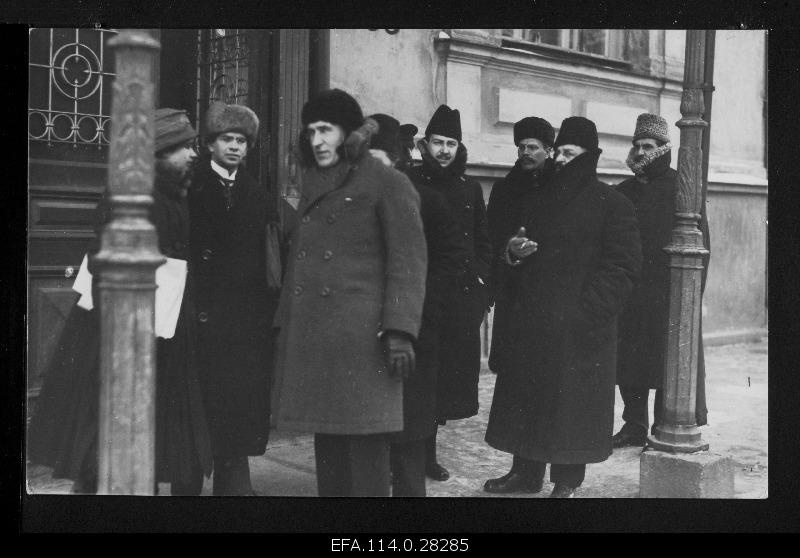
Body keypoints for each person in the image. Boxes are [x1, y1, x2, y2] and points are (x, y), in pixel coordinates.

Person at [27, 108, 213, 495]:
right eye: (185, 147)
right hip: (124, 329)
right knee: (107, 429)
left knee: (150, 429)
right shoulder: (131, 192)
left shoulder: (175, 190)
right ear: (160, 152)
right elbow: (104, 258)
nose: (194, 154)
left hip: (165, 327)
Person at [271, 90, 427, 497]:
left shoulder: (389, 182)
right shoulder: (317, 182)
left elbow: (408, 264)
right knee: (332, 450)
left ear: (350, 133)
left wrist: (399, 332)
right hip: (323, 340)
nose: (317, 140)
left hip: (365, 343)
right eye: (310, 132)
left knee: (365, 454)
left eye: (326, 130)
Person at [483, 116, 642, 497]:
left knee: (571, 410)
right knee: (529, 402)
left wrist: (587, 313)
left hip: (580, 328)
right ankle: (525, 472)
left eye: (570, 153)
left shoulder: (612, 202)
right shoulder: (537, 197)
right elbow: (517, 246)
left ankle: (566, 482)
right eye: (559, 152)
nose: (561, 160)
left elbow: (623, 266)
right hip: (533, 323)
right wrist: (513, 254)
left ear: (589, 157)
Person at [188, 102, 281, 495]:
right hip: (197, 316)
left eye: (241, 140)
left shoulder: (259, 198)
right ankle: (188, 484)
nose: (234, 147)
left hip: (242, 324)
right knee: (195, 410)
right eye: (226, 138)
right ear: (210, 144)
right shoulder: (190, 188)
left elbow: (268, 263)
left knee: (235, 410)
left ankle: (233, 486)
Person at [368, 113, 463, 496]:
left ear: (398, 158)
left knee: (408, 431)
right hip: (361, 332)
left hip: (413, 330)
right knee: (368, 434)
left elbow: (451, 260)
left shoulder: (427, 201)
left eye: (382, 159)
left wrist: (420, 310)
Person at [612, 113, 710, 448]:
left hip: (667, 292)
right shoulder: (622, 191)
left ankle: (662, 425)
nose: (640, 152)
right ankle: (634, 425)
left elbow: (702, 244)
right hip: (630, 293)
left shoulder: (680, 188)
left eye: (648, 145)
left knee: (665, 365)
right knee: (628, 364)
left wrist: (692, 294)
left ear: (664, 148)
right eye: (637, 145)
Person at [407, 104, 492, 482]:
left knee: (444, 381)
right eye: (438, 142)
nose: (444, 150)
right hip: (421, 295)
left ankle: (429, 452)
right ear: (425, 144)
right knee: (419, 378)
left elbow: (482, 241)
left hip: (459, 300)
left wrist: (480, 287)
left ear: (460, 147)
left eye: (451, 143)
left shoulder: (470, 187)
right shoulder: (409, 181)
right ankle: (416, 454)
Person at [486, 116, 556, 377]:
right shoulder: (504, 189)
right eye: (522, 147)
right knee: (513, 369)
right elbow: (491, 237)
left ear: (548, 151)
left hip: (547, 291)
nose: (526, 153)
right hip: (513, 291)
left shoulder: (559, 187)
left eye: (533, 147)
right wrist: (509, 250)